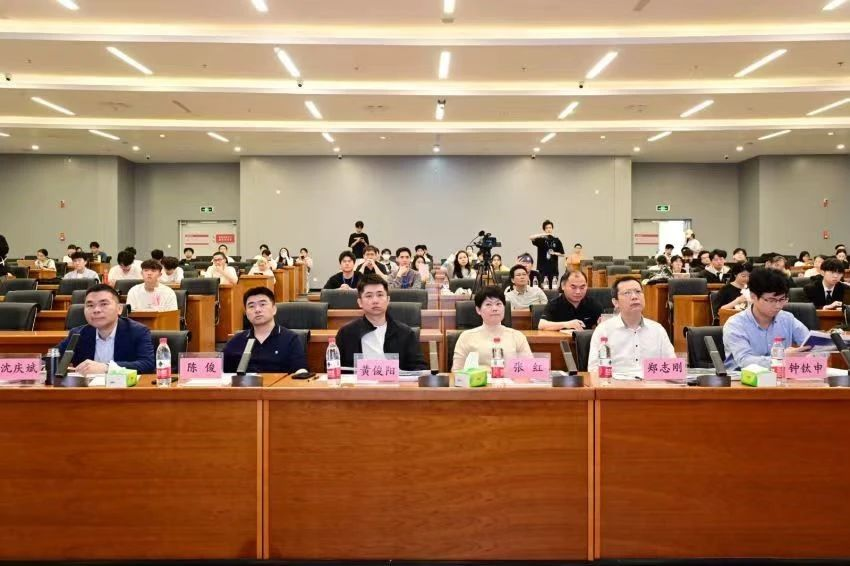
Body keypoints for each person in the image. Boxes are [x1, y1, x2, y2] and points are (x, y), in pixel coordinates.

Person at [55, 284, 155, 375]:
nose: (96, 310)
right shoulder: (77, 334)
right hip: (87, 388)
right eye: (90, 305)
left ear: (119, 309)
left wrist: (107, 368)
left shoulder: (137, 331)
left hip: (123, 388)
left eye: (103, 304)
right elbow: (53, 357)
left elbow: (148, 364)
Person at [723, 267, 811, 370]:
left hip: (781, 378)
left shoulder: (787, 318)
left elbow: (810, 344)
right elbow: (745, 361)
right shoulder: (735, 324)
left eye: (782, 299)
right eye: (771, 300)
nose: (778, 306)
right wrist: (781, 358)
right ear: (753, 296)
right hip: (743, 378)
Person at [335, 274, 427, 370]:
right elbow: (334, 368)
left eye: (380, 295)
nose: (375, 300)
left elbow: (419, 369)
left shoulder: (406, 333)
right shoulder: (346, 333)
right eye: (369, 296)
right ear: (360, 302)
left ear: (388, 300)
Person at [587, 277, 675, 373]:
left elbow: (672, 368)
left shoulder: (658, 329)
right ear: (615, 302)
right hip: (615, 382)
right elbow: (593, 370)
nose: (634, 297)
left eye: (638, 292)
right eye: (627, 293)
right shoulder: (603, 330)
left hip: (650, 382)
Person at [222, 287, 306, 373]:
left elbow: (300, 372)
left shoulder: (290, 339)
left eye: (262, 304)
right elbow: (219, 372)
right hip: (245, 382)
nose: (257, 310)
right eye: (251, 306)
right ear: (246, 313)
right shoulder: (236, 341)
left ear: (274, 309)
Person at [451, 286, 532, 371]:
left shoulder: (517, 336)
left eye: (498, 304)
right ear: (478, 310)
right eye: (488, 304)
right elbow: (456, 371)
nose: (495, 309)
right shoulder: (466, 337)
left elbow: (529, 370)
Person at [529, 220, 565, 288]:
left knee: (553, 286)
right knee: (543, 286)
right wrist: (543, 234)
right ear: (544, 229)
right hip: (543, 268)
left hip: (553, 268)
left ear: (552, 228)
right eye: (547, 228)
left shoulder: (556, 240)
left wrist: (554, 253)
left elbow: (562, 254)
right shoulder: (541, 240)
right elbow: (530, 237)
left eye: (550, 227)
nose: (549, 229)